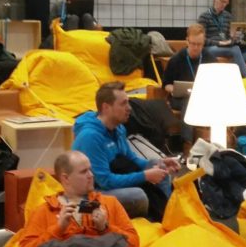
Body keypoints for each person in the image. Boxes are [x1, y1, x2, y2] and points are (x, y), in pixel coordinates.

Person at [162, 24, 246, 159]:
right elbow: (166, 85)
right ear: (187, 41)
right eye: (193, 44)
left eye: (199, 44)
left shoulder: (207, 56)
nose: (196, 48)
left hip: (205, 97)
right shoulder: (177, 59)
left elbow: (217, 78)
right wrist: (174, 89)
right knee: (189, 100)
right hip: (181, 98)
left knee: (226, 104)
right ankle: (187, 146)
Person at [72, 82, 180, 219]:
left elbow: (132, 159)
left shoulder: (118, 128)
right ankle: (147, 220)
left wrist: (161, 162)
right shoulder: (90, 137)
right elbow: (105, 181)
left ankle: (169, 214)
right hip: (89, 198)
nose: (129, 108)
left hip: (111, 182)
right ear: (106, 107)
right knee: (138, 195)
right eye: (123, 104)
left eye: (128, 103)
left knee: (157, 165)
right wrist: (145, 176)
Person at [196, 0, 246, 78]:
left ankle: (229, 66)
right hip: (210, 48)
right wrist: (219, 43)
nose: (224, 5)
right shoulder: (204, 17)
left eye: (226, 3)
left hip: (226, 46)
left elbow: (229, 35)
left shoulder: (228, 16)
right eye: (222, 1)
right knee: (235, 49)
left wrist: (238, 38)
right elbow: (201, 39)